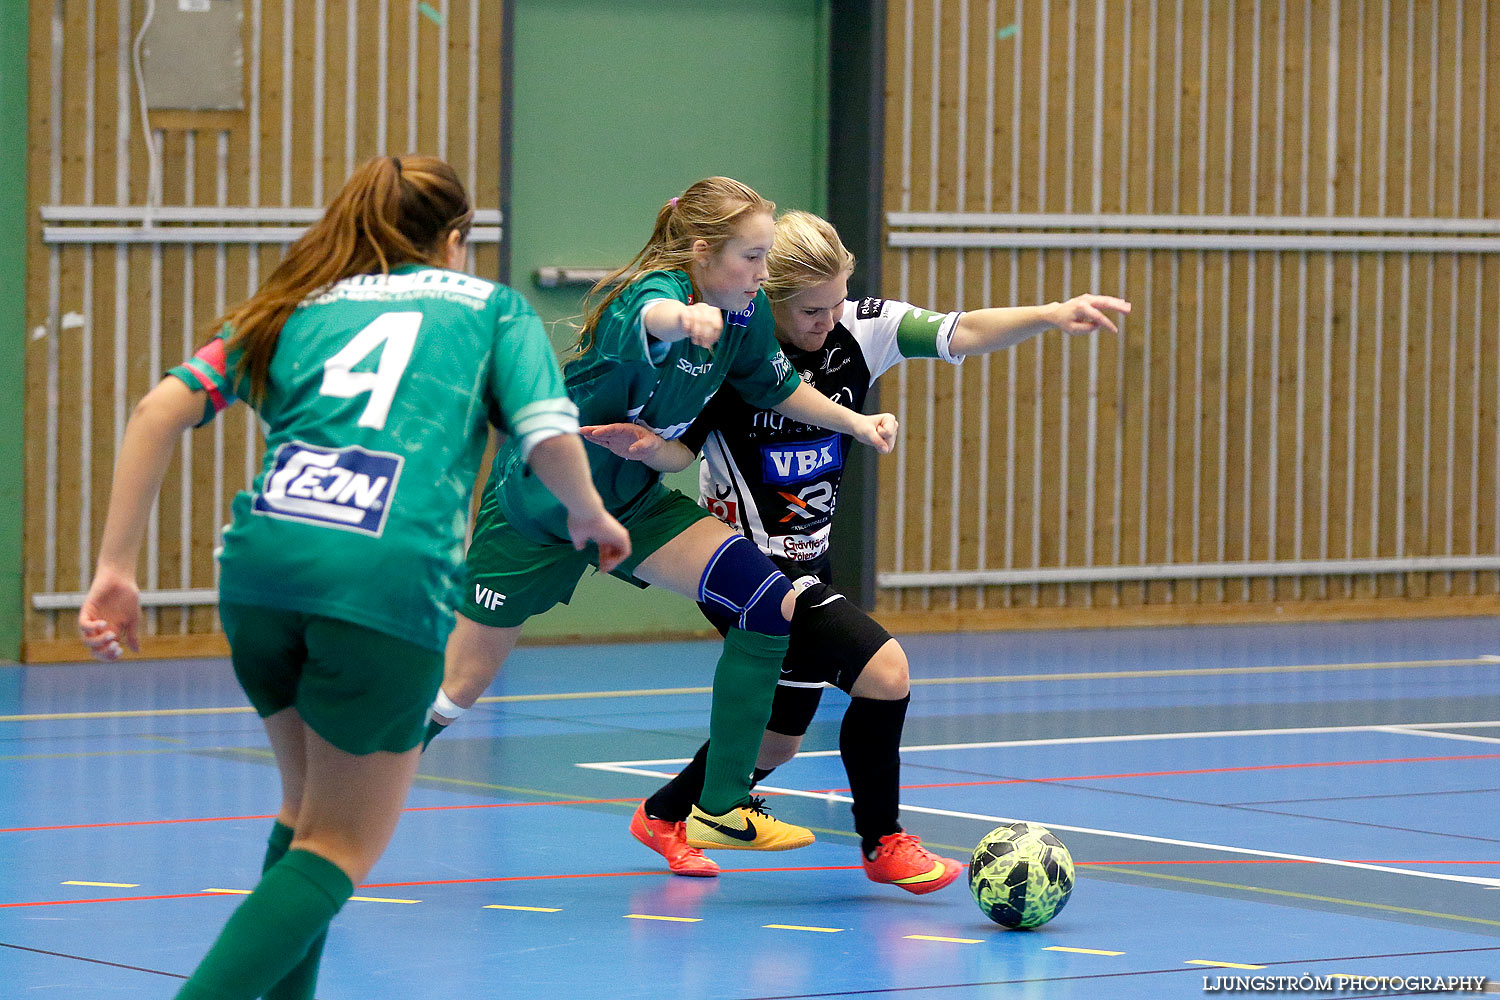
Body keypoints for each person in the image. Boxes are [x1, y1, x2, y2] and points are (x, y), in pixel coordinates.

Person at [76, 155, 629, 1000]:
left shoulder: (293, 307)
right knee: (342, 846)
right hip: (382, 576)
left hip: (259, 573)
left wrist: (115, 569)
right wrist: (589, 513)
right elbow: (548, 435)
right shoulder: (489, 308)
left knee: (306, 818)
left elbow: (158, 409)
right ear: (453, 240)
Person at [585, 210, 1129, 891]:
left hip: (813, 559)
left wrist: (1049, 313)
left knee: (779, 739)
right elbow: (681, 447)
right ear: (767, 296)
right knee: (886, 670)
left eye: (838, 300)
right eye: (811, 309)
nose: (827, 319)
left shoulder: (859, 329)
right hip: (750, 570)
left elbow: (961, 329)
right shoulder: (733, 343)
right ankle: (884, 842)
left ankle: (662, 814)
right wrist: (648, 451)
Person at [423, 179, 900, 852]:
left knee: (766, 604)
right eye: (751, 257)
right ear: (702, 253)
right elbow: (648, 316)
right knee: (457, 688)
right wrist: (684, 322)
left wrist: (856, 422)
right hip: (540, 510)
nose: (764, 275)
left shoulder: (745, 311)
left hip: (631, 502)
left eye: (767, 258)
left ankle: (721, 805)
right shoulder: (651, 296)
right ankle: (357, 769)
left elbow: (780, 387)